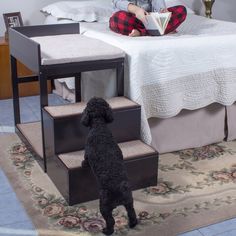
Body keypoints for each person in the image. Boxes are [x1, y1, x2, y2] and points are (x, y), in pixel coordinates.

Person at [110, 0, 187, 36]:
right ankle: (161, 30)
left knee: (181, 10)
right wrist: (136, 10)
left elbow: (157, 2)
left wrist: (162, 12)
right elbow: (117, 1)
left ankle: (140, 32)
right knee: (117, 18)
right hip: (130, 19)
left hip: (149, 20)